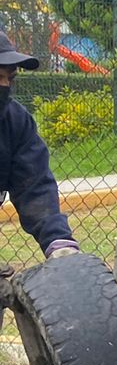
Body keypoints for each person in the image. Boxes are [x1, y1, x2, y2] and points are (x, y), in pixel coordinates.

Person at [0, 29, 80, 262]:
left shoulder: (15, 121)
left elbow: (34, 186)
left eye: (10, 78)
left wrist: (58, 242)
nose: (4, 85)